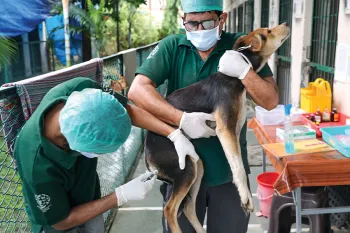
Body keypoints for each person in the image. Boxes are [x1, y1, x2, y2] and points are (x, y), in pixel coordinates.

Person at [128, 0, 279, 232]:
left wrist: (244, 72)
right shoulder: (173, 46)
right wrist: (181, 119)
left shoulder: (240, 45)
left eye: (207, 22)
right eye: (192, 23)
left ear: (222, 19)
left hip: (227, 173)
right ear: (183, 21)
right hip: (181, 163)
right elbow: (138, 90)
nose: (199, 30)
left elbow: (270, 101)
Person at [14, 77, 201, 233]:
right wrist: (120, 196)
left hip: (89, 197)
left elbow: (124, 110)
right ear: (77, 145)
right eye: (99, 151)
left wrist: (173, 134)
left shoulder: (83, 91)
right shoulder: (37, 167)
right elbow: (60, 221)